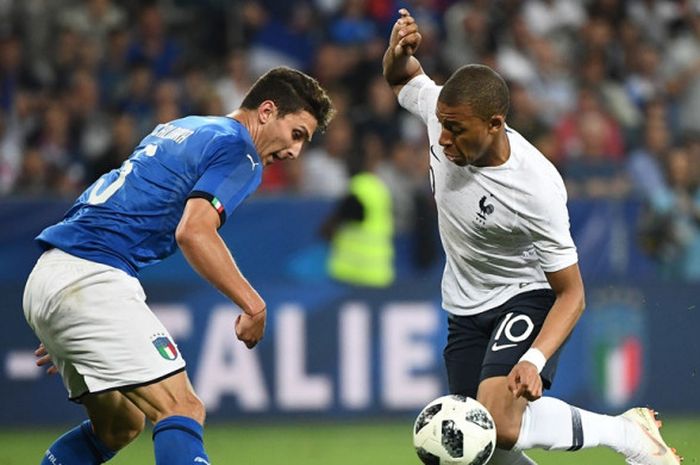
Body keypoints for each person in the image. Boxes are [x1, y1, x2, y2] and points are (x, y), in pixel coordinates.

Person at [383, 9, 680, 465]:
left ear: (495, 124)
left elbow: (573, 294)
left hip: (525, 296)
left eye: (457, 130)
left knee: (499, 424)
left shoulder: (537, 186)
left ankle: (625, 431)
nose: (442, 139)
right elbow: (403, 80)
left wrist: (535, 359)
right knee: (477, 451)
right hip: (464, 307)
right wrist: (396, 52)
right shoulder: (442, 110)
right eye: (442, 124)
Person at [23, 66, 334, 465]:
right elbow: (195, 231)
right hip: (89, 276)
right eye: (297, 134)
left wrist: (64, 306)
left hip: (54, 271)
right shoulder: (241, 152)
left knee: (120, 426)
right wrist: (254, 305)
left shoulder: (183, 127)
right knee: (182, 409)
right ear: (267, 111)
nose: (295, 152)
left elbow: (120, 198)